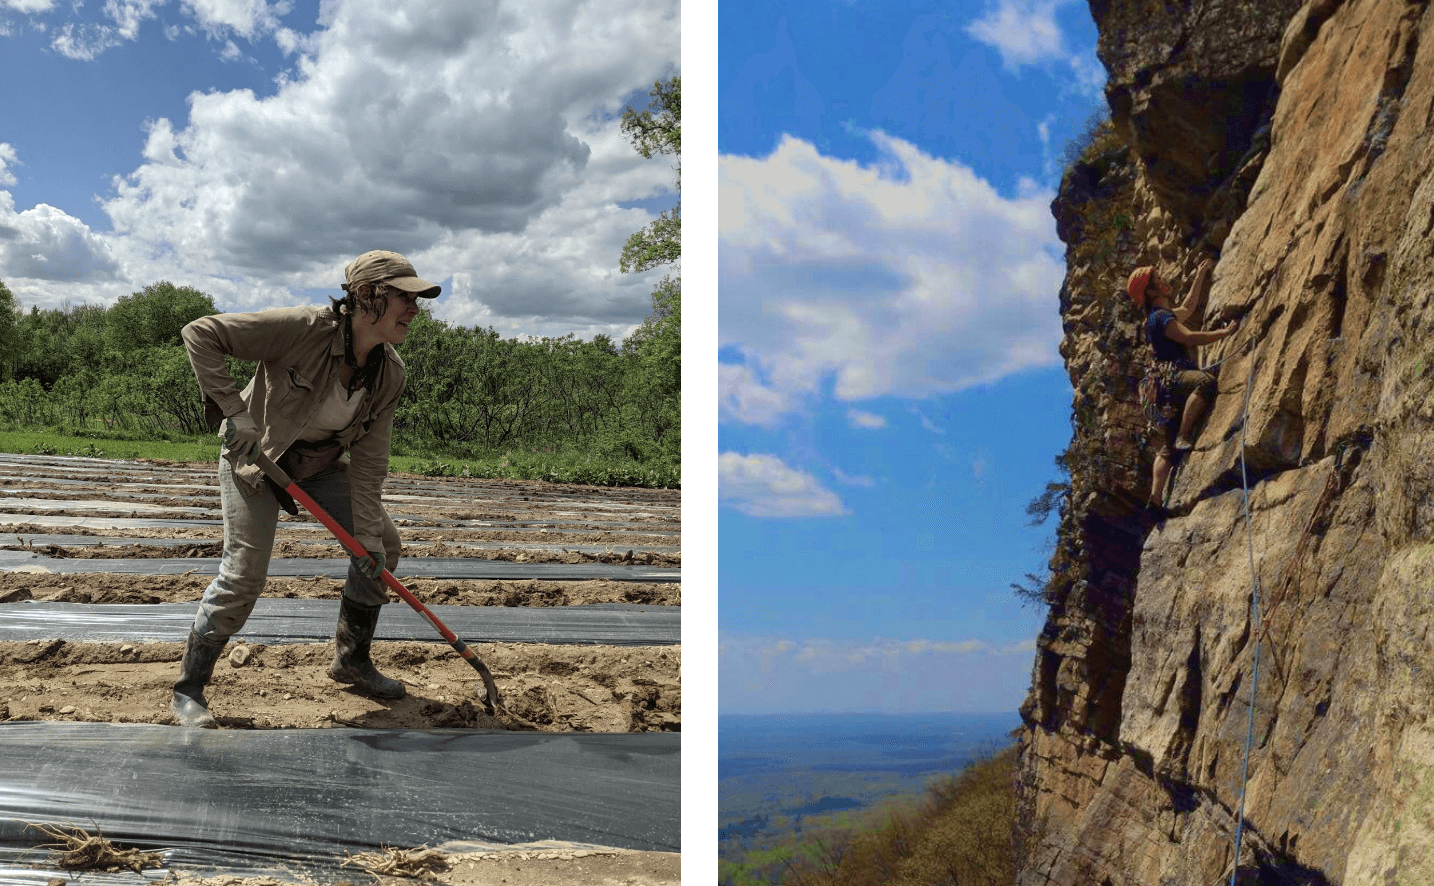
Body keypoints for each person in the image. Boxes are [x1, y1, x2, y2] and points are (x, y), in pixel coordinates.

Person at [172, 249, 439, 728]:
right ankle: (189, 689)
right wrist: (236, 413)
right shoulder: (301, 329)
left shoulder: (388, 373)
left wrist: (368, 542)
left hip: (318, 465)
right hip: (258, 460)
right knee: (244, 574)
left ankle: (351, 661)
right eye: (404, 297)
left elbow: (370, 462)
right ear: (366, 296)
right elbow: (201, 333)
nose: (414, 309)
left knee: (383, 548)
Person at [1129, 259, 1238, 515]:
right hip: (1175, 378)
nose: (1164, 280)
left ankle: (1155, 498)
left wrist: (1200, 275)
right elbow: (1189, 337)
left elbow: (1189, 307)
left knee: (1165, 451)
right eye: (1157, 280)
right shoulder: (1161, 318)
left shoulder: (1157, 318)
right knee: (1205, 382)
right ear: (1151, 292)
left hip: (1163, 387)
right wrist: (1224, 333)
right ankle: (1184, 434)